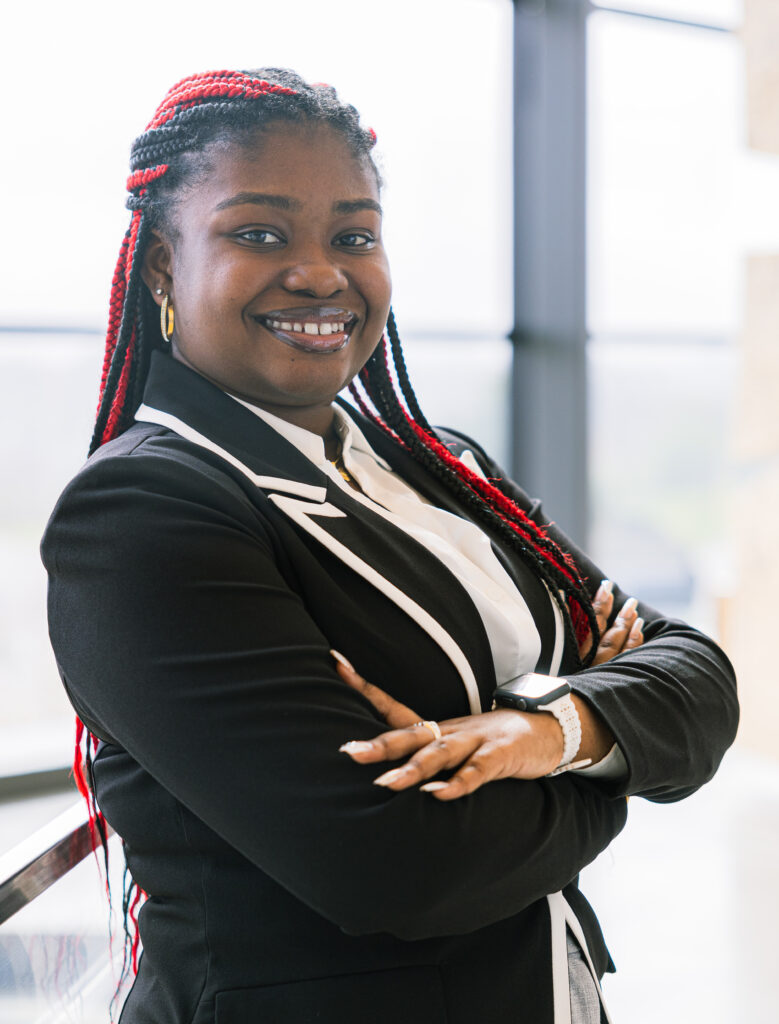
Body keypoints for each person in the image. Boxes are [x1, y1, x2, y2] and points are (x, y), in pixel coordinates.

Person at [41, 68, 738, 1024]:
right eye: (258, 233)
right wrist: (616, 758)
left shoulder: (441, 467)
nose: (320, 272)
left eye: (353, 235)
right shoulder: (141, 512)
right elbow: (398, 869)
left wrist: (542, 736)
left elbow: (700, 679)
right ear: (163, 265)